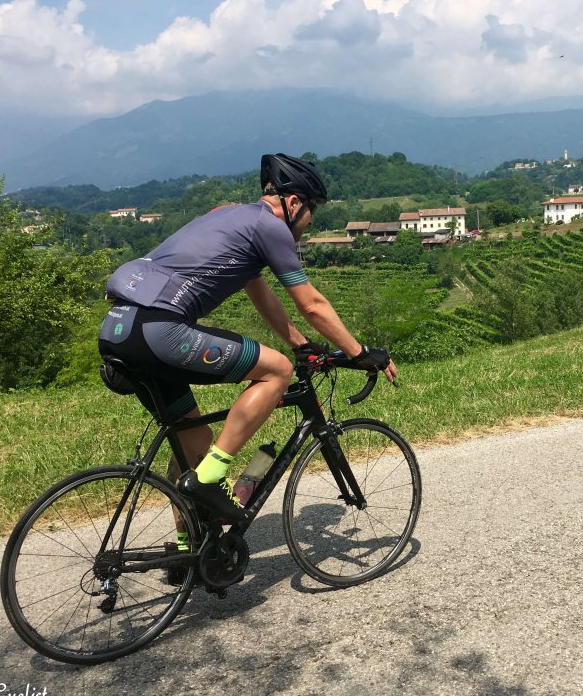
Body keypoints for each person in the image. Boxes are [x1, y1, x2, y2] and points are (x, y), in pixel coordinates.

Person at [98, 153, 396, 532]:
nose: (310, 222)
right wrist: (361, 353)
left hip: (119, 330)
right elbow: (312, 304)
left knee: (195, 438)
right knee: (278, 371)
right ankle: (212, 478)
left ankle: (189, 548)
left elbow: (257, 288)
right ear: (293, 202)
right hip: (160, 330)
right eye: (311, 212)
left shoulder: (227, 215)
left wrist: (301, 343)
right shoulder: (271, 228)